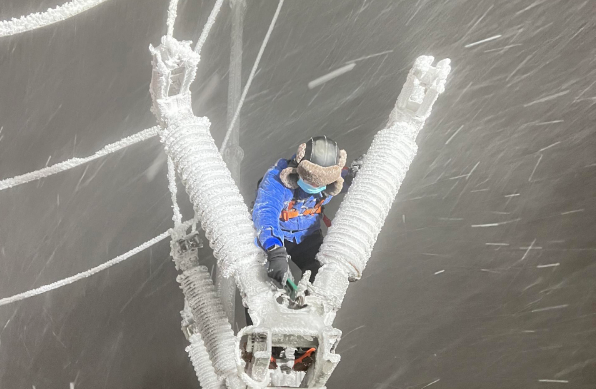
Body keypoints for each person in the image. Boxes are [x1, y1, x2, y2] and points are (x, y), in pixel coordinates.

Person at [252, 136, 356, 287]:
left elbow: (350, 179)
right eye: (310, 178)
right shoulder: (276, 180)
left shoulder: (332, 182)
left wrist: (357, 172)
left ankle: (310, 300)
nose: (315, 185)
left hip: (307, 236)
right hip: (276, 235)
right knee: (267, 281)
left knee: (321, 274)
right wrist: (274, 249)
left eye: (321, 181)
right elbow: (266, 213)